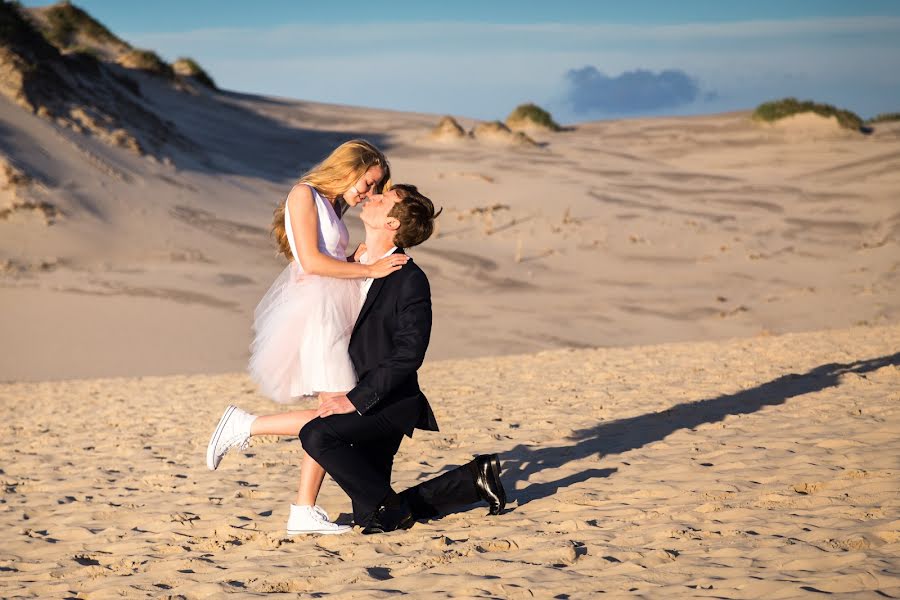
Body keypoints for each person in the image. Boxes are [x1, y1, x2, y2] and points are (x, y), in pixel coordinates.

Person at [205, 139, 409, 536]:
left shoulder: (333, 204)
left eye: (373, 188)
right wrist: (372, 270)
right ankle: (246, 426)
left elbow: (327, 262)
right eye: (368, 183)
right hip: (317, 313)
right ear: (350, 166)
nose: (367, 193)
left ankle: (303, 508)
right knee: (333, 412)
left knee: (332, 410)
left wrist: (353, 262)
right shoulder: (304, 195)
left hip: (334, 309)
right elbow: (312, 263)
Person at [300, 184, 507, 533]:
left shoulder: (409, 278)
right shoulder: (356, 265)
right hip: (357, 394)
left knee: (317, 435)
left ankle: (393, 508)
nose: (373, 197)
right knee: (372, 516)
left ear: (393, 224)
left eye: (383, 199)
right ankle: (474, 479)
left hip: (389, 404)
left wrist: (355, 400)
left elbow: (409, 354)